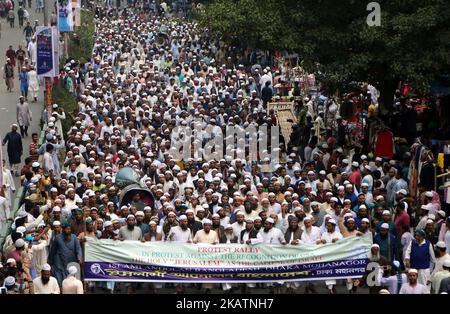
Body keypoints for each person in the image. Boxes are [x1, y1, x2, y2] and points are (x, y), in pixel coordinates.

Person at [404, 228, 436, 292]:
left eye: (418, 235)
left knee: (425, 288)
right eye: (415, 235)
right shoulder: (412, 242)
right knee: (413, 288)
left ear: (422, 236)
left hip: (424, 270)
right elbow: (407, 252)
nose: (416, 237)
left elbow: (433, 259)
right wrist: (407, 259)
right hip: (414, 270)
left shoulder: (428, 244)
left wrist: (430, 271)